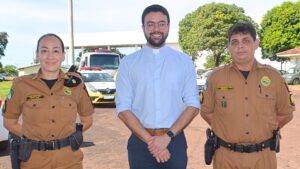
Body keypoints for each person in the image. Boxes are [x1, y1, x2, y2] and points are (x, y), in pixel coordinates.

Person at [115, 4, 200, 169]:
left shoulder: (184, 61)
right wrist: (151, 142)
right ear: (143, 27)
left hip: (174, 141)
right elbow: (123, 108)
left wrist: (167, 137)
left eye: (161, 23)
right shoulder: (128, 63)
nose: (156, 29)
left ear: (168, 26)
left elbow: (193, 105)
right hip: (140, 143)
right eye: (150, 24)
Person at [200, 22, 295, 169]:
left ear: (256, 43)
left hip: (263, 158)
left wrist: (265, 129)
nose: (240, 46)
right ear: (229, 46)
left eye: (246, 40)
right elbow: (207, 112)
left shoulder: (274, 77)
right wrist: (227, 128)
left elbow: (285, 114)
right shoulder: (215, 77)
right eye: (235, 42)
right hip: (226, 158)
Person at [2, 33, 94, 169]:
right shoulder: (21, 85)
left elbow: (87, 120)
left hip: (70, 161)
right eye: (44, 51)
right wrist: (34, 138)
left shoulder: (76, 84)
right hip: (33, 161)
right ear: (37, 55)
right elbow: (9, 122)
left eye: (56, 51)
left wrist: (68, 136)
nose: (50, 56)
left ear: (63, 55)